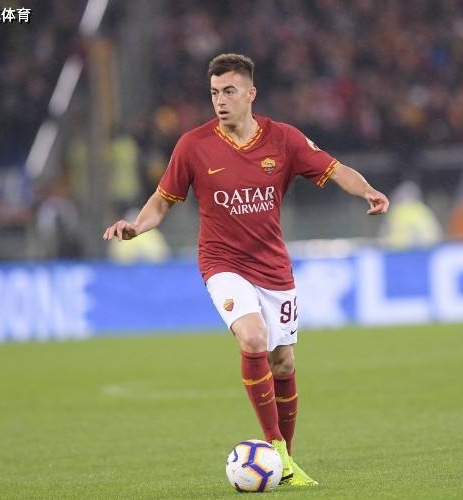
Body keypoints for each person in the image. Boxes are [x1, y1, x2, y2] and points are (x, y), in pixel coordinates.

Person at [102, 53, 389, 487]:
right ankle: (276, 450)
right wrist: (137, 226)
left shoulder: (284, 139)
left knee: (283, 362)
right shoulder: (194, 145)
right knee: (253, 337)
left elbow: (334, 170)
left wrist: (368, 191)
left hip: (272, 266)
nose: (220, 100)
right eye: (214, 93)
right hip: (222, 263)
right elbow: (162, 200)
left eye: (229, 91)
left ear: (251, 93)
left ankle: (287, 461)